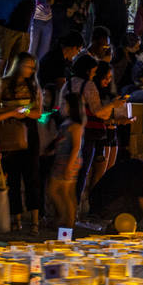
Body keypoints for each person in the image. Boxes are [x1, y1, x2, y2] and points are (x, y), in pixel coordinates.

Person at [58, 54, 127, 205]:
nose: (94, 74)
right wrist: (113, 105)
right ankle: (72, 209)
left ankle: (61, 210)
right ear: (88, 71)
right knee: (82, 172)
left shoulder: (67, 84)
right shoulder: (88, 85)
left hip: (65, 129)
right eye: (94, 71)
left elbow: (62, 109)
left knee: (63, 171)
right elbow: (97, 111)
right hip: (85, 132)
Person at [0, 52, 44, 233]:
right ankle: (15, 219)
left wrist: (25, 113)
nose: (30, 70)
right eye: (27, 66)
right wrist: (12, 112)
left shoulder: (33, 86)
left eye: (33, 67)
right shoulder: (5, 84)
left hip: (29, 131)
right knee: (13, 177)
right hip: (10, 132)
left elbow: (38, 111)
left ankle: (35, 220)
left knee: (32, 177)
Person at [90, 153, 143, 233]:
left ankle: (115, 225)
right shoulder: (142, 174)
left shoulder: (138, 166)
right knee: (141, 204)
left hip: (97, 200)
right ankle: (115, 226)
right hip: (102, 203)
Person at [46, 92, 86, 230]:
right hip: (64, 159)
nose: (63, 106)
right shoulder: (69, 122)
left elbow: (76, 147)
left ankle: (66, 219)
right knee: (66, 192)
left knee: (57, 190)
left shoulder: (75, 126)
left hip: (68, 161)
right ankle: (68, 221)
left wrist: (69, 166)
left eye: (65, 104)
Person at [37, 30, 84, 109]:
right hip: (46, 97)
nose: (76, 54)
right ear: (73, 47)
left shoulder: (57, 54)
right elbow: (62, 86)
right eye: (78, 51)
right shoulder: (58, 59)